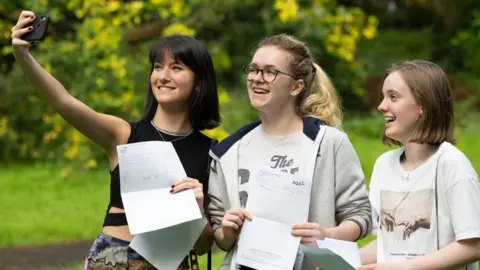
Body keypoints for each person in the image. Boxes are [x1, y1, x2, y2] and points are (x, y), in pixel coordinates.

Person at [11, 11, 220, 270]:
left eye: (176, 68)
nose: (163, 76)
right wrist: (23, 55)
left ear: (199, 83)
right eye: (157, 67)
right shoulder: (123, 135)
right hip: (113, 259)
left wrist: (196, 211)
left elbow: (202, 248)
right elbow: (62, 101)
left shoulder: (211, 152)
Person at [206, 33, 372, 270]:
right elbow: (220, 238)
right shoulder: (228, 153)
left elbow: (360, 215)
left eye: (270, 71)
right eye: (253, 70)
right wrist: (228, 230)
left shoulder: (328, 143)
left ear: (296, 86)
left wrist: (325, 235)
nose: (257, 79)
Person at [357, 60, 480, 270]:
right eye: (383, 97)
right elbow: (387, 244)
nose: (381, 106)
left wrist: (403, 268)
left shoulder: (451, 164)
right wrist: (339, 262)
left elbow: (473, 245)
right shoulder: (384, 165)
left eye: (393, 97)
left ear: (423, 105)